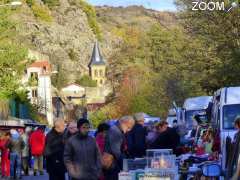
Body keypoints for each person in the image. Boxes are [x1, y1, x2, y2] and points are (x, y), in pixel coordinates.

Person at [104, 116, 135, 180]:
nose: (128, 130)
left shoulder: (116, 129)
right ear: (124, 123)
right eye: (128, 127)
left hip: (114, 164)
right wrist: (125, 167)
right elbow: (116, 152)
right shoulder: (115, 131)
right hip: (112, 165)